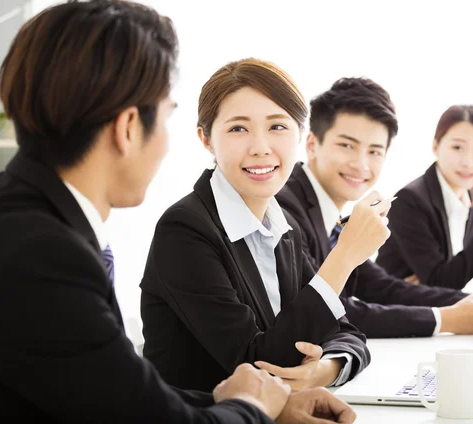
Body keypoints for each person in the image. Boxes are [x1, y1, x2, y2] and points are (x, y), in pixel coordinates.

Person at [0, 2, 356, 422]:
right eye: (166, 117)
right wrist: (252, 408)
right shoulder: (42, 254)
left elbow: (118, 395)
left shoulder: (23, 220)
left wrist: (259, 406)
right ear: (128, 128)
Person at [140, 59, 389, 393]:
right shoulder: (184, 230)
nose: (260, 147)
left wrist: (325, 369)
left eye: (278, 127)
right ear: (206, 139)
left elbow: (346, 332)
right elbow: (256, 363)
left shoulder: (282, 228)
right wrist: (345, 256)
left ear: (301, 135)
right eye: (238, 128)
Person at [277, 78, 473, 338]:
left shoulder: (330, 214)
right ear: (311, 145)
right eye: (347, 145)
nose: (361, 164)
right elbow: (326, 310)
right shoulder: (286, 209)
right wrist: (445, 319)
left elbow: (381, 286)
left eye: (375, 151)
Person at [376, 104, 473, 289]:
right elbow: (442, 281)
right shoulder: (410, 202)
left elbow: (455, 272)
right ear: (436, 146)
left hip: (440, 307)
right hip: (398, 311)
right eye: (458, 147)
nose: (468, 162)